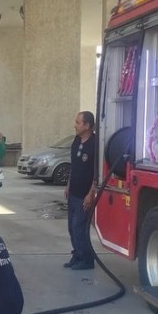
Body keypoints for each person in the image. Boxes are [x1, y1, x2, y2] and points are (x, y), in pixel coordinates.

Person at [64, 111, 97, 271]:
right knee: (71, 226)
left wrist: (91, 194)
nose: (75, 125)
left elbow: (96, 173)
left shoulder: (95, 144)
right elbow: (74, 165)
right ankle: (77, 255)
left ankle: (87, 260)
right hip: (73, 192)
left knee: (79, 227)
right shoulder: (77, 141)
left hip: (85, 195)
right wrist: (68, 185)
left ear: (87, 126)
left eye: (78, 122)